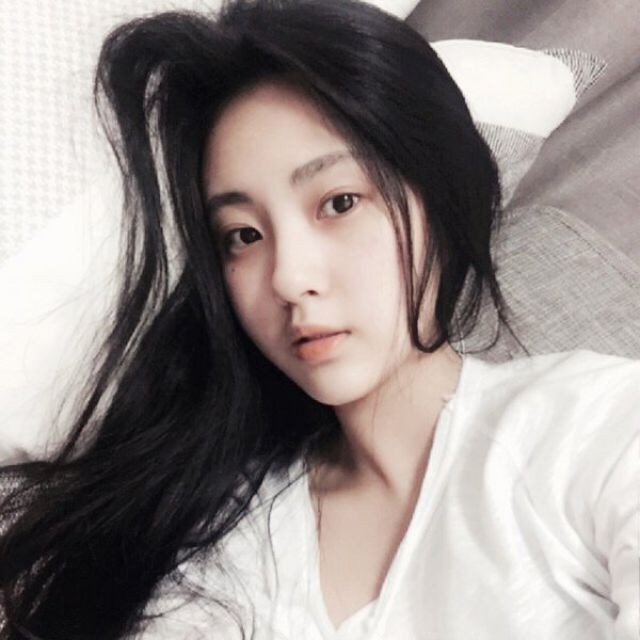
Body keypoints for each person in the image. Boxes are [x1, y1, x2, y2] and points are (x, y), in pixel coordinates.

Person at [0, 1, 637, 638]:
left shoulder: (593, 429)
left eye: (339, 202)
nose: (287, 277)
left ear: (441, 200)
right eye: (243, 235)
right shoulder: (213, 550)